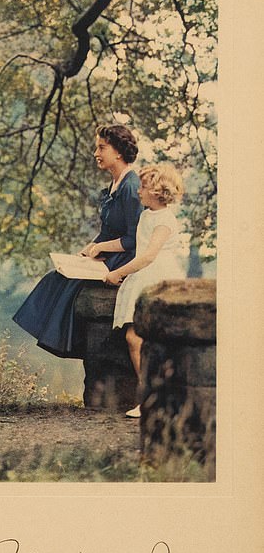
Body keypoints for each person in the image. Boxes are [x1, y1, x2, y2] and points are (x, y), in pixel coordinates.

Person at [13, 124, 143, 357]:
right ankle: (54, 338)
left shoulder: (131, 186)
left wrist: (100, 248)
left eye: (102, 148)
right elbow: (107, 231)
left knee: (73, 283)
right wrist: (85, 252)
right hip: (111, 251)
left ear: (119, 152)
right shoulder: (115, 184)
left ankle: (71, 345)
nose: (96, 154)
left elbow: (133, 239)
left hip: (125, 257)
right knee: (57, 276)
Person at [105, 163, 186, 418]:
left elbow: (150, 256)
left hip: (158, 279)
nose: (138, 191)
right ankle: (150, 397)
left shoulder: (165, 220)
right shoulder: (146, 215)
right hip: (143, 277)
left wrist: (119, 272)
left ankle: (157, 398)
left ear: (159, 191)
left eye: (144, 187)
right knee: (134, 339)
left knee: (152, 340)